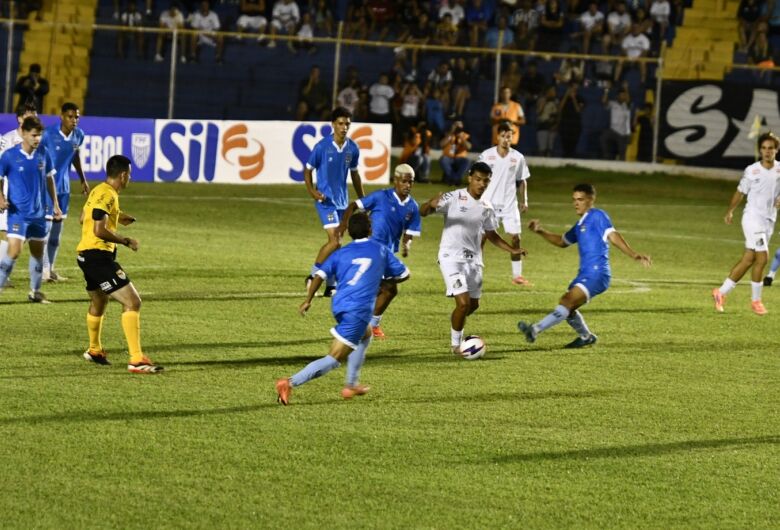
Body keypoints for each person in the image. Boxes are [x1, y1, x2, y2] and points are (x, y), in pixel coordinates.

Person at [275, 211, 409, 405]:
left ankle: (351, 384)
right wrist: (381, 280)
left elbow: (319, 275)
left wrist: (308, 300)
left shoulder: (341, 253)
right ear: (370, 229)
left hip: (340, 306)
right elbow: (404, 274)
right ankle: (289, 383)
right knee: (334, 359)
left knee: (366, 334)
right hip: (359, 310)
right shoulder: (379, 249)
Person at [518, 183, 652, 347]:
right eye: (574, 200)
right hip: (585, 274)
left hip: (597, 273)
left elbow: (613, 235)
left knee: (566, 301)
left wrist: (634, 254)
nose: (576, 203)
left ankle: (535, 329)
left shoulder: (597, 216)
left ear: (590, 200)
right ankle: (586, 337)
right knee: (569, 308)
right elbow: (562, 241)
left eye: (580, 199)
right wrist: (540, 231)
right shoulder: (580, 224)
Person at [420, 161, 526, 353]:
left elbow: (491, 234)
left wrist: (512, 250)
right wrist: (430, 204)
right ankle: (455, 345)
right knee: (463, 303)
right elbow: (423, 212)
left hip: (474, 260)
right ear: (470, 178)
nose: (482, 184)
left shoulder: (487, 206)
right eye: (478, 179)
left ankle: (456, 319)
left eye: (486, 181)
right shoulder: (454, 197)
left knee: (473, 304)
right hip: (450, 257)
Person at [76, 155, 162, 373]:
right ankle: (136, 359)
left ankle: (94, 350)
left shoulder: (99, 190)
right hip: (98, 256)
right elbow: (98, 229)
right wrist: (125, 240)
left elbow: (82, 217)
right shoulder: (108, 194)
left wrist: (118, 216)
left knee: (99, 301)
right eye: (129, 175)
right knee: (133, 302)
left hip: (85, 255)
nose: (129, 178)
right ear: (123, 175)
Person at [338, 164, 421, 339]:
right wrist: (344, 223)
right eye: (404, 181)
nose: (408, 185)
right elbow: (354, 205)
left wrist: (407, 245)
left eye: (411, 182)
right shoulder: (380, 196)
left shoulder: (412, 207)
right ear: (396, 180)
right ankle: (368, 324)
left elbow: (410, 233)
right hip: (372, 248)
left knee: (387, 290)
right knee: (391, 288)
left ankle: (364, 321)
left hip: (388, 252)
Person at [712, 133, 780, 315]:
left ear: (776, 150)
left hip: (769, 221)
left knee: (749, 259)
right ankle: (756, 301)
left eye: (770, 148)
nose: (767, 151)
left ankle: (720, 292)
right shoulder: (752, 170)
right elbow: (740, 192)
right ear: (760, 150)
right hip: (752, 219)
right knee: (763, 258)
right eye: (764, 148)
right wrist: (730, 210)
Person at [304, 107, 365, 297]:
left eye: (347, 123)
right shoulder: (322, 146)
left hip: (342, 202)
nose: (344, 127)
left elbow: (354, 174)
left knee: (337, 244)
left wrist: (363, 200)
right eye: (340, 123)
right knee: (335, 240)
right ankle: (313, 276)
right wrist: (313, 191)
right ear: (333, 125)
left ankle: (330, 284)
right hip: (326, 201)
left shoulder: (352, 148)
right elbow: (307, 170)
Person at [0, 116, 61, 303]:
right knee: (14, 251)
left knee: (37, 253)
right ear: (24, 134)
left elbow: (50, 179)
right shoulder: (9, 155)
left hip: (39, 214)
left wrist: (56, 205)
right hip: (18, 214)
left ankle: (35, 292)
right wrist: (1, 198)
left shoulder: (43, 153)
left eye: (40, 135)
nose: (37, 139)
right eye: (34, 135)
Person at [40, 102, 90, 283]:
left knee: (56, 234)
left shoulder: (79, 135)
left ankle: (51, 269)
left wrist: (83, 179)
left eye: (77, 117)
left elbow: (74, 155)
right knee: (44, 231)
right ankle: (43, 270)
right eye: (70, 116)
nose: (74, 120)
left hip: (64, 189)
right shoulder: (48, 135)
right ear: (61, 116)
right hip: (46, 188)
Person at [477, 121, 532, 286]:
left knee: (516, 238)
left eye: (509, 136)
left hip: (509, 205)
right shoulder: (487, 155)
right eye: (503, 136)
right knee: (482, 238)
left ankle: (517, 276)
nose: (506, 139)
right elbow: (476, 177)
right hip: (488, 204)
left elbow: (522, 180)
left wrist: (525, 200)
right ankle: (475, 272)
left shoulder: (517, 157)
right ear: (497, 136)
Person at [0, 103, 38, 273]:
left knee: (23, 235)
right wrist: (1, 196)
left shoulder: (36, 139)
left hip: (28, 197)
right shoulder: (7, 140)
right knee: (5, 232)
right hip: (9, 194)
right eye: (29, 116)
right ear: (20, 119)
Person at [600, 87, 632, 161]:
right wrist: (606, 91)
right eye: (621, 95)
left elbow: (628, 121)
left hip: (622, 133)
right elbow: (604, 102)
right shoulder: (612, 103)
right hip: (613, 130)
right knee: (603, 138)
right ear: (618, 96)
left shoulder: (627, 105)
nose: (623, 97)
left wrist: (626, 89)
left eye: (624, 95)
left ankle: (621, 167)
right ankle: (607, 157)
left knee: (622, 152)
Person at [439, 121, 471, 186]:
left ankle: (455, 178)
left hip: (460, 158)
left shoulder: (465, 135)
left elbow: (469, 147)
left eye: (459, 126)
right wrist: (451, 133)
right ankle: (455, 179)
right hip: (448, 158)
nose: (458, 128)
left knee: (467, 161)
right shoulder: (448, 134)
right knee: (443, 159)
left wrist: (462, 138)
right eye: (456, 126)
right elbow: (441, 144)